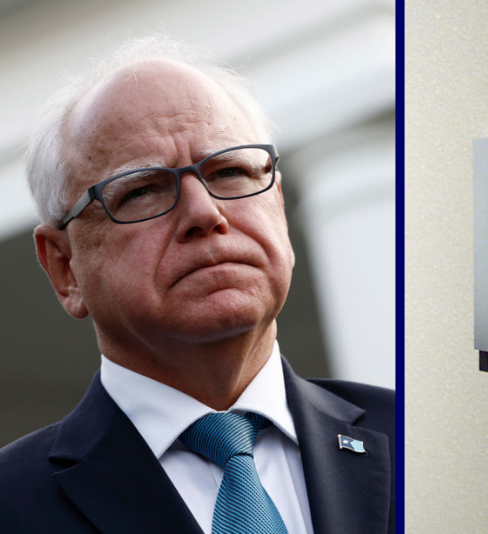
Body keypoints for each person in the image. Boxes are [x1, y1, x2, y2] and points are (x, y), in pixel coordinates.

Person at [0, 37, 394, 533]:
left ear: (279, 207)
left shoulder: (430, 442)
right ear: (64, 268)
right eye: (142, 190)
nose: (205, 214)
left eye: (230, 170)